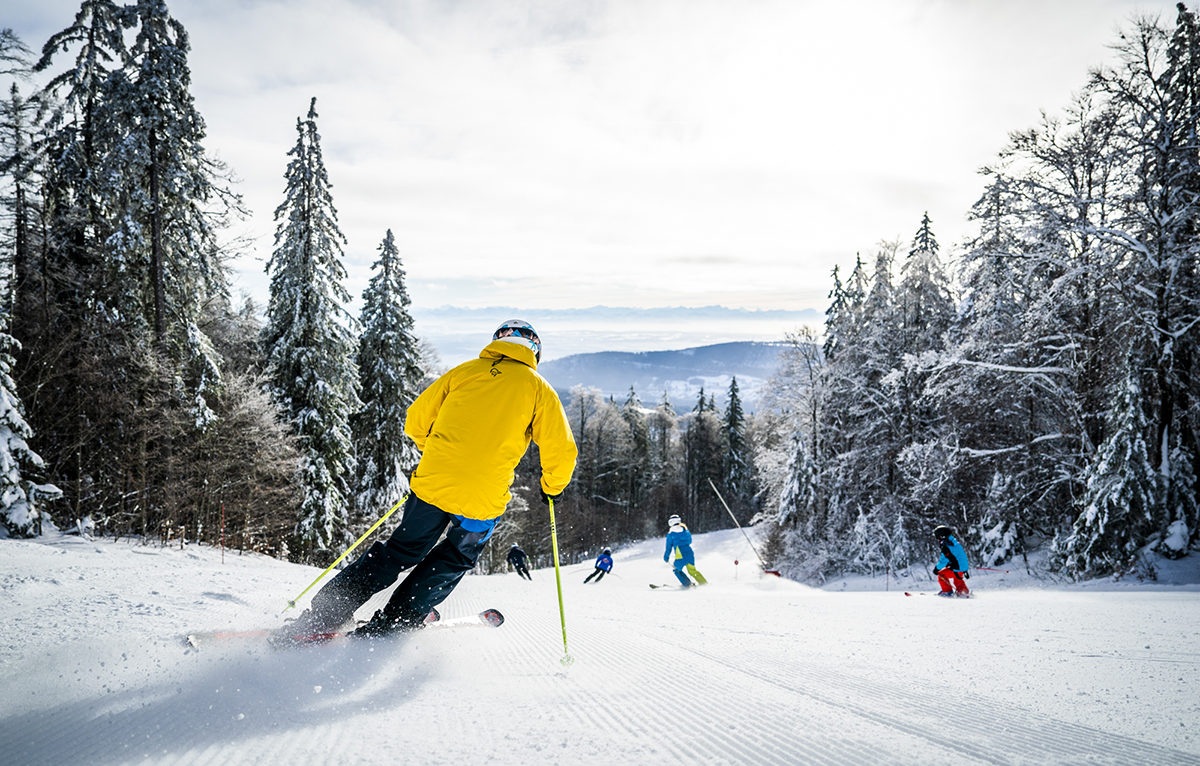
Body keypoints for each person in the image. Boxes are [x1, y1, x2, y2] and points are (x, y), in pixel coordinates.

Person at [277, 320, 577, 641]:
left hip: (432, 485)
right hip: (481, 500)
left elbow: (415, 420)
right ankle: (398, 619)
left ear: (496, 342)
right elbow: (561, 450)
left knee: (398, 552)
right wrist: (552, 488)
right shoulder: (539, 389)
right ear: (536, 351)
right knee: (455, 557)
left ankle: (325, 613)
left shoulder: (463, 372)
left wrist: (436, 452)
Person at [663, 514, 706, 588]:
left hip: (680, 555)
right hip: (689, 553)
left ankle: (687, 584)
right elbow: (689, 541)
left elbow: (668, 547)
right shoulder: (685, 530)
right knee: (692, 571)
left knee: (676, 569)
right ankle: (704, 583)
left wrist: (666, 557)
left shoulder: (670, 534)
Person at [933, 524, 970, 598]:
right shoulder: (954, 542)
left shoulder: (947, 545)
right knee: (958, 579)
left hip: (957, 568)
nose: (937, 539)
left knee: (941, 574)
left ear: (941, 536)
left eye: (937, 537)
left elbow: (944, 560)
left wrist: (937, 569)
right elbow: (955, 556)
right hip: (962, 567)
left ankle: (947, 592)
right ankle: (963, 592)